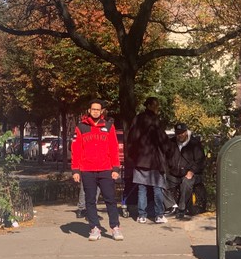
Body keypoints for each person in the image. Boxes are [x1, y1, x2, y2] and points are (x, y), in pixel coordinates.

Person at [71, 99, 123, 241]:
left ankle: (115, 227)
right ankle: (94, 228)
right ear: (89, 110)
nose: (95, 111)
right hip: (87, 170)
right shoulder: (81, 127)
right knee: (90, 201)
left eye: (98, 109)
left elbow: (113, 148)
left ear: (102, 112)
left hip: (106, 169)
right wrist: (75, 170)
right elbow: (76, 150)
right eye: (93, 109)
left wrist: (116, 168)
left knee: (110, 199)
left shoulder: (108, 126)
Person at [127, 96, 169, 224]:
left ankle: (142, 215)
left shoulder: (137, 119)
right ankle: (159, 214)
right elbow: (162, 139)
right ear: (150, 106)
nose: (157, 108)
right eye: (156, 105)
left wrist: (133, 156)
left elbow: (131, 138)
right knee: (157, 187)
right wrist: (167, 151)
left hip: (140, 159)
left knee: (142, 188)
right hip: (154, 159)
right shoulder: (155, 120)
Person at [165, 123, 205, 219]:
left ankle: (181, 209)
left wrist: (192, 171)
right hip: (174, 173)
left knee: (186, 183)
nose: (180, 135)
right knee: (159, 181)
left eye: (182, 133)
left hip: (191, 173)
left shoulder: (195, 143)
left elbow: (200, 161)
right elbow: (165, 158)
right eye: (178, 133)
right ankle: (172, 206)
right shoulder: (171, 143)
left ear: (186, 132)